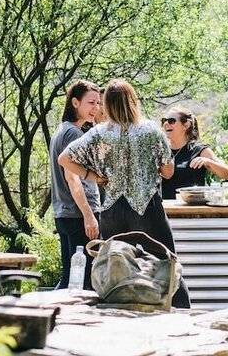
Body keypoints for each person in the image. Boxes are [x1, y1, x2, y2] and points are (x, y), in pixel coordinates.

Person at [58, 79, 190, 308]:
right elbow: (168, 172)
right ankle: (182, 312)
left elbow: (65, 159)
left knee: (115, 267)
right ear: (133, 101)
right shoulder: (151, 130)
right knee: (166, 262)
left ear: (107, 104)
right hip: (147, 209)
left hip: (112, 210)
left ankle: (117, 314)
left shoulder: (99, 133)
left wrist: (93, 176)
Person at [49, 80, 102, 290]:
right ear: (75, 102)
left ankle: (51, 319)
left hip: (65, 214)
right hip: (78, 215)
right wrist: (89, 216)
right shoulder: (73, 134)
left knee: (70, 278)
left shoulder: (64, 130)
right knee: (82, 281)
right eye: (91, 103)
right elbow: (73, 179)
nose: (96, 108)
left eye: (98, 103)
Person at [160, 107, 228, 199]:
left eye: (171, 121)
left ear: (186, 125)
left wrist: (208, 162)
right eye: (164, 121)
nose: (166, 124)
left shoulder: (199, 150)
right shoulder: (160, 150)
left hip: (191, 209)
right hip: (164, 208)